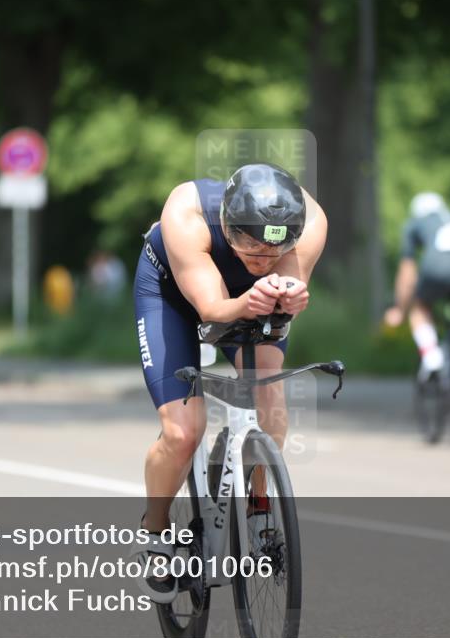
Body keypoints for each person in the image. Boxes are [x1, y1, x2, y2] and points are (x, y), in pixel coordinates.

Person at [132, 163, 327, 602]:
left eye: (271, 251)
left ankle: (258, 506)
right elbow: (212, 309)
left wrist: (290, 295)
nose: (260, 259)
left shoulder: (310, 222)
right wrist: (248, 297)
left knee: (270, 405)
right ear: (226, 224)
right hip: (173, 295)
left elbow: (288, 293)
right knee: (184, 432)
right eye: (247, 245)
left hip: (251, 297)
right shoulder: (187, 213)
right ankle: (156, 529)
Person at [384, 192, 450, 427]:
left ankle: (432, 357)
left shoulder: (414, 223)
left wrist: (399, 307)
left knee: (420, 309)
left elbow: (407, 273)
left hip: (436, 268)